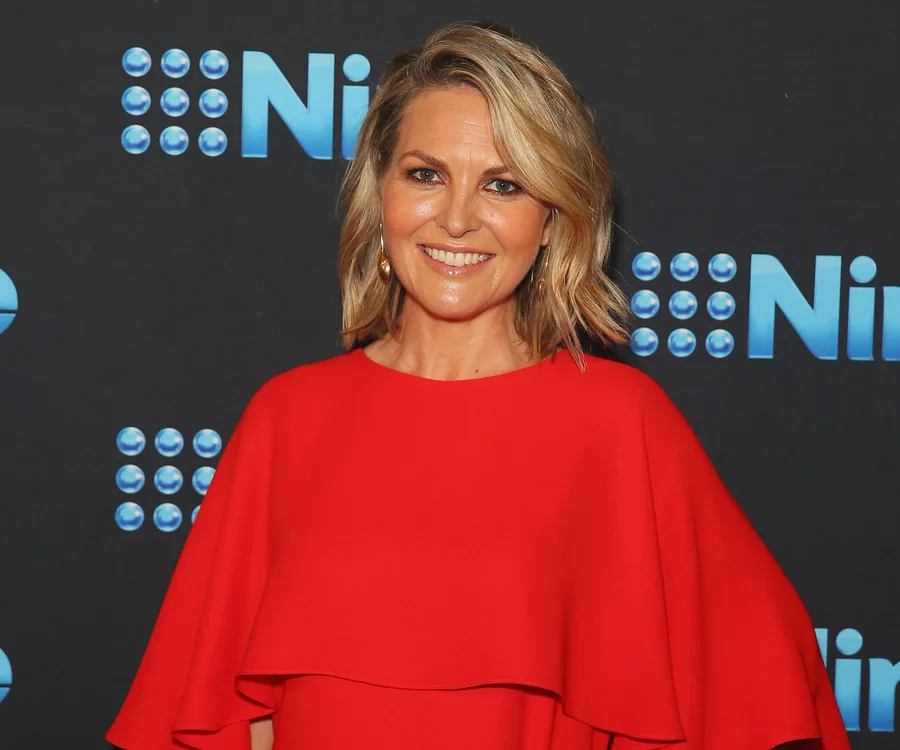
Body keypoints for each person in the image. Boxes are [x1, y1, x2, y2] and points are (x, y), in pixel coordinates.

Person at [106, 22, 851, 750]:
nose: (457, 219)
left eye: (503, 184)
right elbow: (235, 719)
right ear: (382, 196)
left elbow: (762, 688)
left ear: (555, 220)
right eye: (425, 174)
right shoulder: (288, 418)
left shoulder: (619, 424)